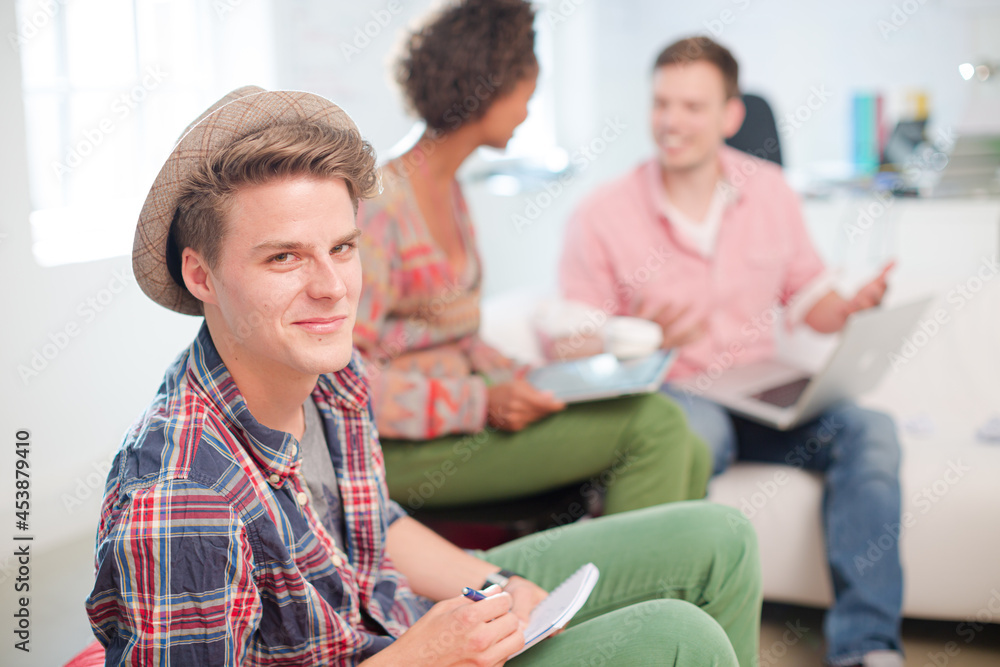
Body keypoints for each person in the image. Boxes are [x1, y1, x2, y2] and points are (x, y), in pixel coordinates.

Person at [84, 85, 762, 665]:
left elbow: (374, 523)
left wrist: (498, 581)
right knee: (681, 638)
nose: (332, 288)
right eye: (284, 257)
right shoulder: (180, 500)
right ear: (201, 275)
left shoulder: (329, 374)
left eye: (342, 248)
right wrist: (421, 656)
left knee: (720, 539)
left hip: (395, 618)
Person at [560, 35, 904, 667]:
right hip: (677, 393)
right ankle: (667, 634)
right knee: (691, 437)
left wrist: (849, 308)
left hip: (763, 388)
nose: (671, 121)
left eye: (692, 106)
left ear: (730, 114)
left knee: (871, 430)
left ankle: (867, 648)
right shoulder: (603, 212)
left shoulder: (769, 191)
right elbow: (572, 338)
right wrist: (638, 334)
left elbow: (810, 295)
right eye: (662, 103)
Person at [354, 0, 709, 518]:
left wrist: (538, 380)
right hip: (397, 450)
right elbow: (342, 378)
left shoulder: (450, 191)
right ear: (489, 87)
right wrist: (480, 403)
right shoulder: (378, 206)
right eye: (527, 93)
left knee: (692, 446)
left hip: (460, 420)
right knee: (657, 424)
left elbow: (460, 339)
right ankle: (624, 573)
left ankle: (667, 572)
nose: (527, 111)